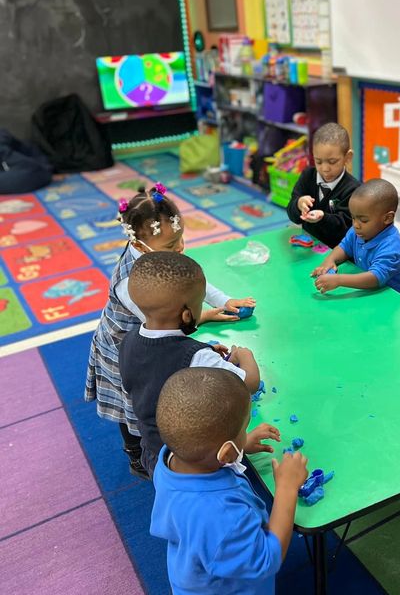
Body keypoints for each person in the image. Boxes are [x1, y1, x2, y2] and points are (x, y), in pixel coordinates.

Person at [85, 183, 255, 480]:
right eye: (171, 244)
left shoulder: (160, 257)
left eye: (181, 238)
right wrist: (204, 317)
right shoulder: (128, 282)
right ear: (140, 245)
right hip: (123, 345)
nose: (179, 248)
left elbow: (192, 283)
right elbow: (165, 323)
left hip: (151, 336)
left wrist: (224, 301)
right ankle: (136, 453)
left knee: (150, 397)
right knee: (133, 404)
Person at [151, 367, 309, 595]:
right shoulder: (222, 515)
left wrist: (240, 446)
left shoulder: (171, 460)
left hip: (195, 572)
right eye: (244, 430)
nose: (246, 433)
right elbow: (267, 560)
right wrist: (287, 488)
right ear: (225, 453)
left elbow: (208, 454)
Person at [119, 250, 276, 476]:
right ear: (187, 315)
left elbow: (157, 365)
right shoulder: (196, 356)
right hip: (194, 461)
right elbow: (249, 383)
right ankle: (236, 451)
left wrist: (206, 354)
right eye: (199, 303)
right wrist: (245, 356)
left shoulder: (129, 340)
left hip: (154, 451)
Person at [311, 178, 400, 301]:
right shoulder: (358, 231)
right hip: (373, 294)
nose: (355, 224)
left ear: (387, 218)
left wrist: (339, 280)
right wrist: (330, 259)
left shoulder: (391, 246)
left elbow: (375, 278)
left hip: (397, 298)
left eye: (363, 220)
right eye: (353, 218)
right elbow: (344, 247)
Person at [286, 122, 360, 248]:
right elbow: (292, 214)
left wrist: (323, 218)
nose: (325, 169)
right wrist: (298, 204)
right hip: (308, 246)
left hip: (336, 253)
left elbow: (346, 230)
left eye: (332, 162)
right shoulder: (308, 176)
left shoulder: (354, 190)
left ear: (347, 157)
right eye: (318, 162)